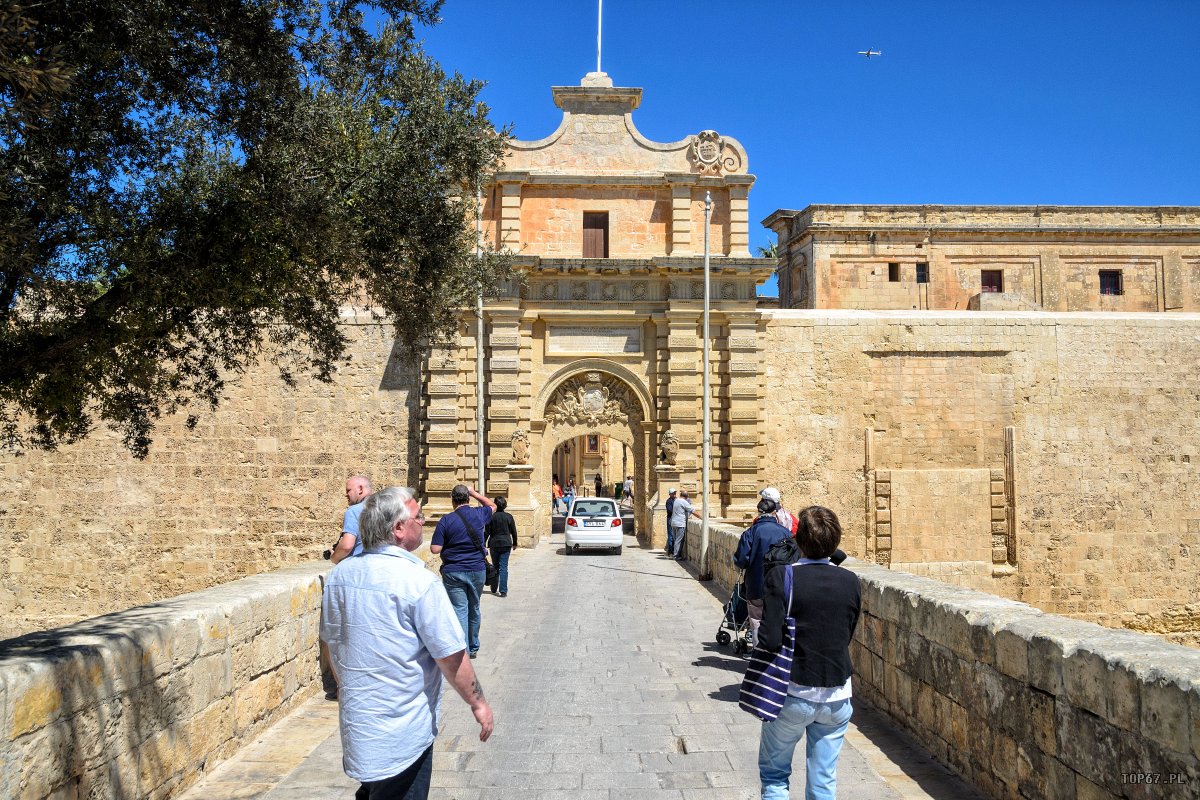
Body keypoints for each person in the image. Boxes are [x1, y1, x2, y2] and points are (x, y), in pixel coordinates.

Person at [321, 487, 494, 800]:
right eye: (418, 517)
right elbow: (451, 658)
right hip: (403, 735)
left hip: (360, 729)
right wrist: (478, 703)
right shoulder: (419, 583)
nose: (424, 522)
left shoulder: (338, 577)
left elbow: (332, 647)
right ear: (398, 528)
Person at [757, 506, 861, 800]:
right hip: (837, 697)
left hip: (792, 693)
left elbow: (769, 639)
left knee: (775, 775)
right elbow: (847, 632)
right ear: (836, 540)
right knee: (823, 781)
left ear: (798, 540)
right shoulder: (851, 581)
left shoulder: (782, 577)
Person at [430, 484, 495, 659]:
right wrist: (474, 492)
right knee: (474, 607)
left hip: (454, 571)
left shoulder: (446, 520)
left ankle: (462, 649)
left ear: (453, 500)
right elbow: (492, 506)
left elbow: (435, 549)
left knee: (459, 609)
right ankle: (473, 646)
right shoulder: (479, 514)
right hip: (477, 570)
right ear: (468, 499)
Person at [733, 497, 793, 648]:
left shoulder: (751, 533)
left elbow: (741, 560)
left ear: (758, 513)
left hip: (756, 585)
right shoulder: (786, 533)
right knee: (779, 618)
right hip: (781, 585)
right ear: (774, 513)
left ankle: (758, 654)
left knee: (756, 620)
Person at [330, 475, 372, 564]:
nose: (346, 494)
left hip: (358, 566)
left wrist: (334, 557)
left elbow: (346, 546)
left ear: (360, 489)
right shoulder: (383, 507)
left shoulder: (354, 510)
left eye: (348, 490)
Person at [484, 496, 518, 597]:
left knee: (495, 567)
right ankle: (503, 590)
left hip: (494, 544)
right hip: (506, 544)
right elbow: (514, 532)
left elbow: (486, 532)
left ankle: (494, 588)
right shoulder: (509, 517)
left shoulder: (490, 517)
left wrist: (482, 544)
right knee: (503, 567)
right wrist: (515, 543)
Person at [669, 489, 701, 560]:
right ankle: (676, 556)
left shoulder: (676, 500)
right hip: (680, 523)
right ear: (686, 496)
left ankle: (676, 554)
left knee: (675, 539)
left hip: (673, 522)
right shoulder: (684, 502)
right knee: (679, 540)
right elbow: (693, 511)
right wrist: (701, 517)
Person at [664, 488, 677, 554]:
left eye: (675, 493)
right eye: (673, 493)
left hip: (676, 519)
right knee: (671, 535)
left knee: (675, 535)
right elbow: (670, 510)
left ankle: (674, 550)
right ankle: (670, 551)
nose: (674, 494)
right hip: (670, 519)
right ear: (670, 494)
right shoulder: (669, 501)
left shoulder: (677, 500)